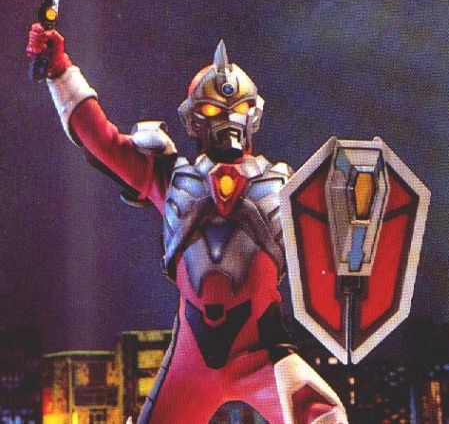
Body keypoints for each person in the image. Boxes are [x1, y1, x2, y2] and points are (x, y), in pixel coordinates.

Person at [27, 23, 348, 424]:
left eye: (238, 108)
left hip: (263, 355)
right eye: (213, 110)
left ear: (255, 114)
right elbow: (102, 140)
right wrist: (60, 69)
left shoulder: (285, 186)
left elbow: (342, 246)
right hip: (191, 363)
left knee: (324, 417)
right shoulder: (172, 177)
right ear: (194, 118)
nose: (227, 119)